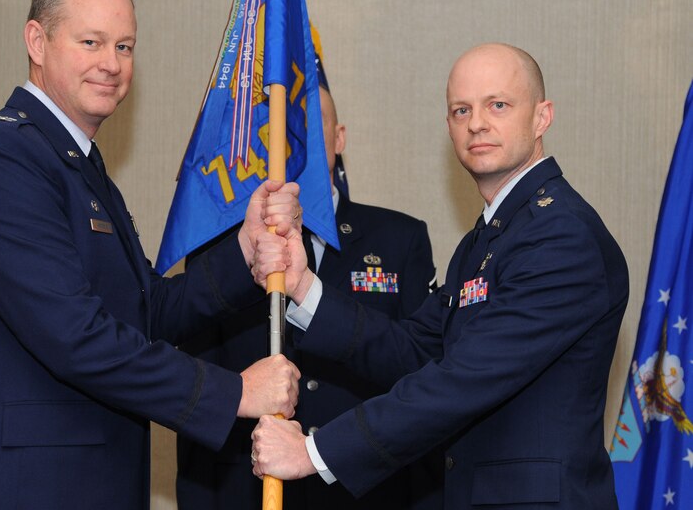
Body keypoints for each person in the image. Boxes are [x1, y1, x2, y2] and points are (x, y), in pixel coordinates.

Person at [0, 0, 303, 510]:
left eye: (125, 46)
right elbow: (74, 335)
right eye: (91, 41)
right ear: (37, 41)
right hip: (20, 487)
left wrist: (245, 252)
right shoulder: (2, 159)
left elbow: (145, 310)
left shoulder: (75, 164)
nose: (111, 64)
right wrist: (233, 393)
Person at [251, 43, 629, 509]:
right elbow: (414, 349)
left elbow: (464, 379)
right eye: (461, 109)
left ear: (542, 117)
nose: (476, 123)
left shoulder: (560, 236)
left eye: (498, 105)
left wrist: (315, 451)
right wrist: (303, 286)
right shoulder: (489, 237)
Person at [176, 51, 443, 509]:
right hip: (248, 492)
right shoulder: (222, 251)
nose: (294, 143)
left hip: (369, 494)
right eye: (282, 128)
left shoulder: (401, 239)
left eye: (310, 127)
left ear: (339, 139)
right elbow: (199, 398)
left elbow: (420, 376)